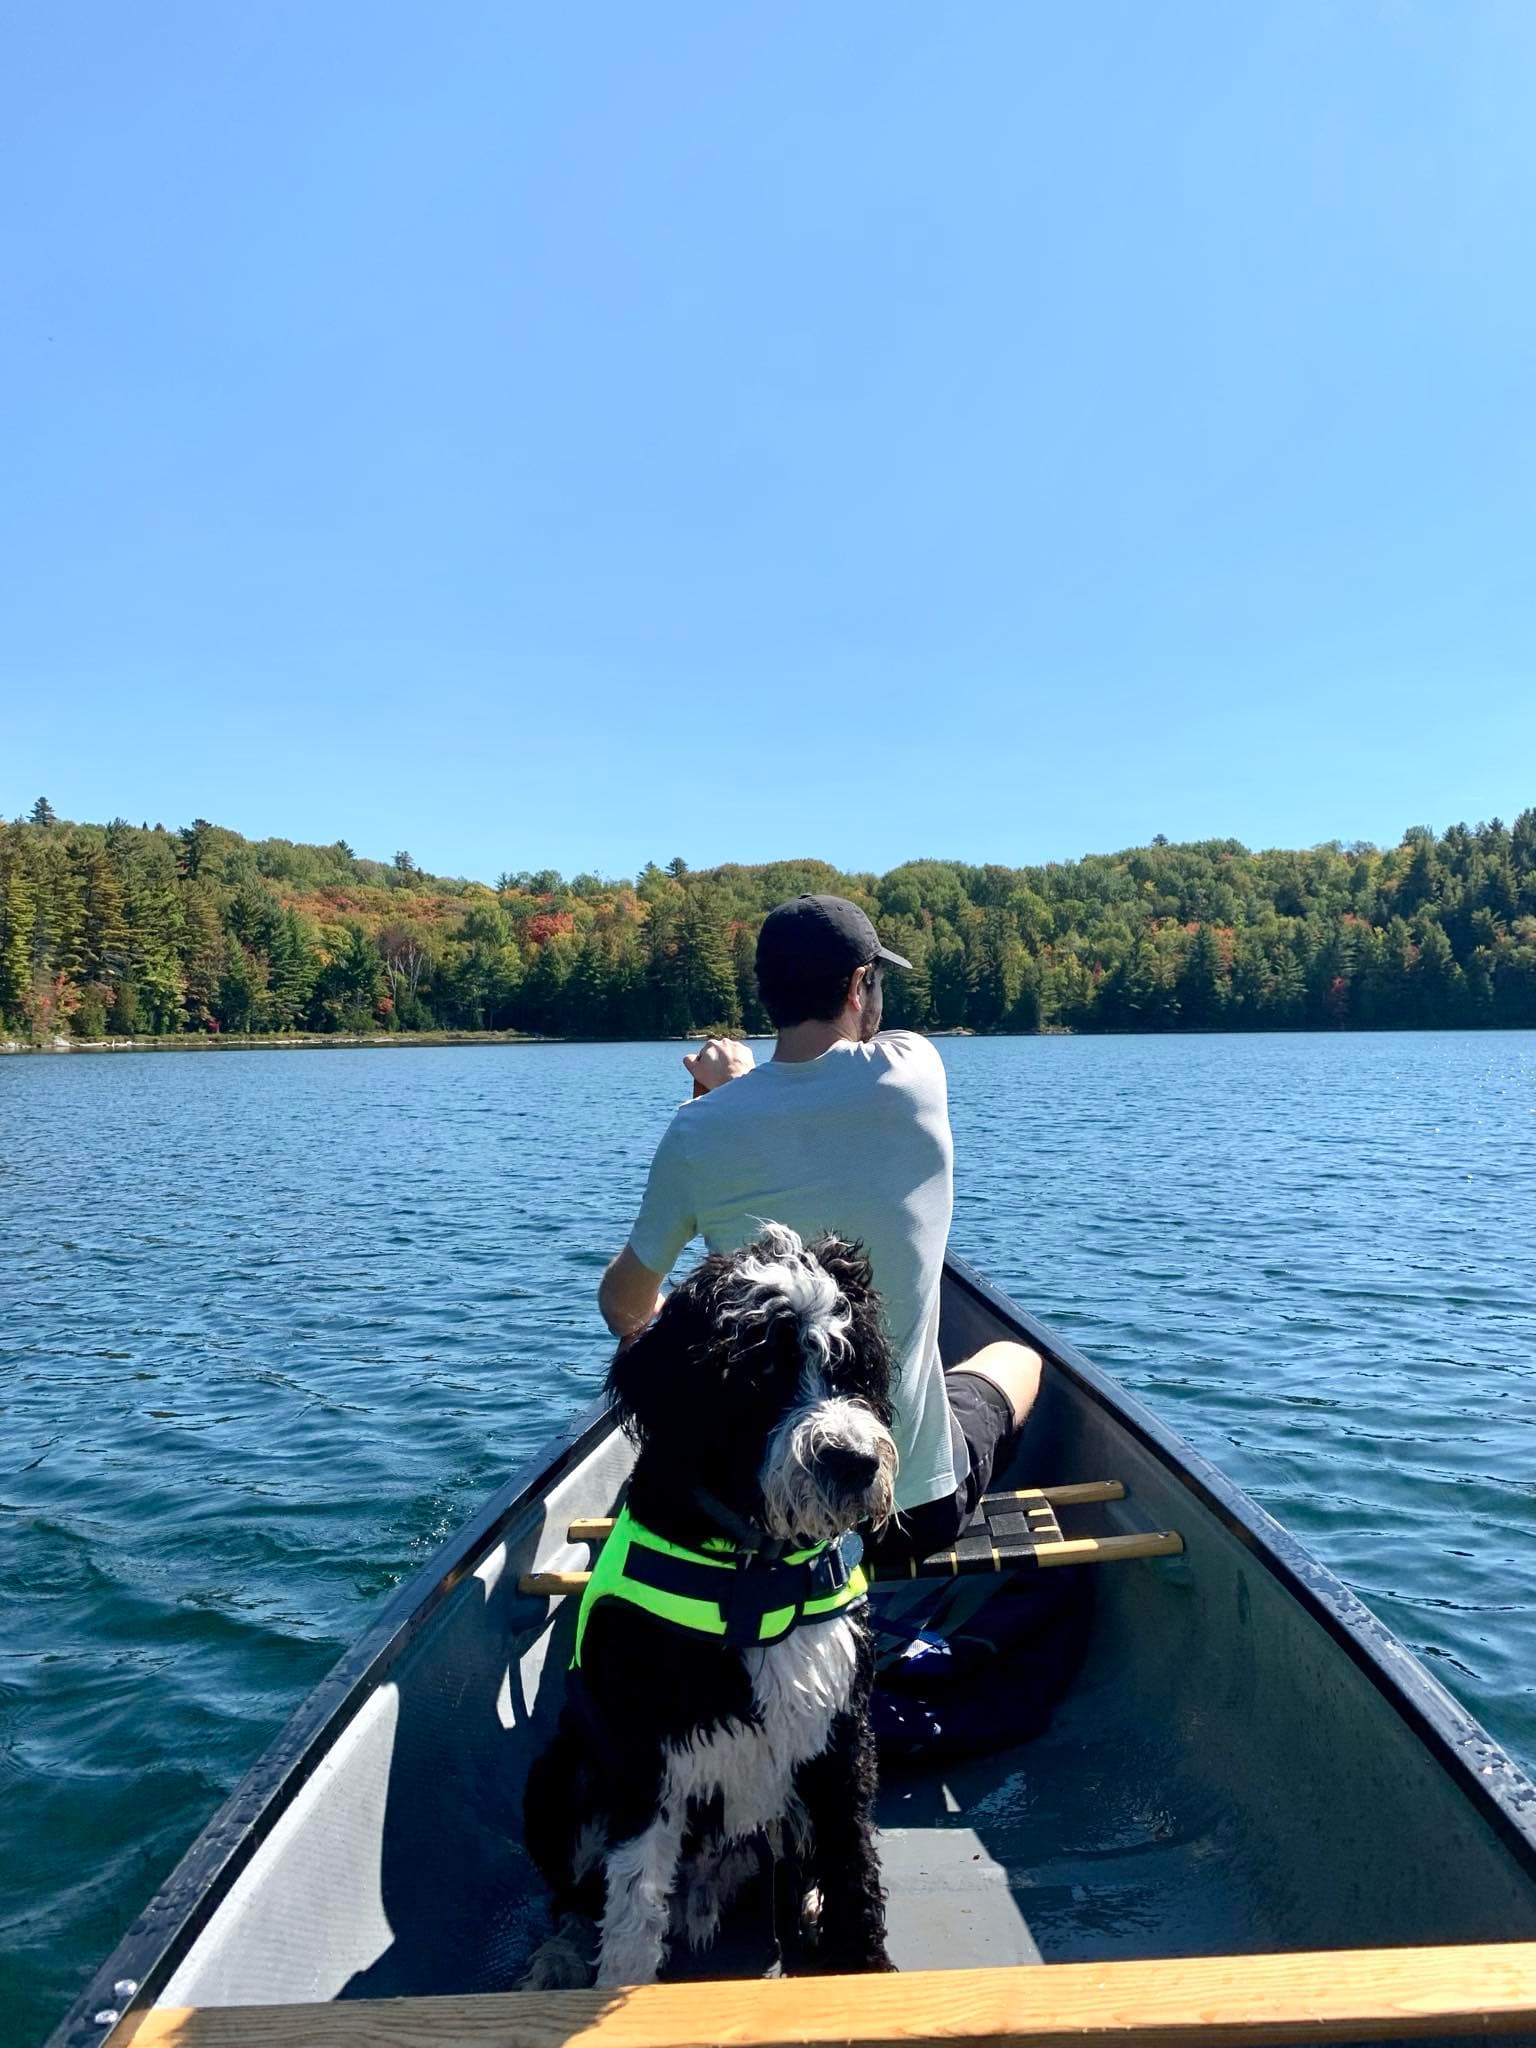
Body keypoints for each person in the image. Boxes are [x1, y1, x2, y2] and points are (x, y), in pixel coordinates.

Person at [598, 893, 1041, 1560]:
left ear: (767, 995)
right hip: (907, 1517)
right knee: (1018, 1359)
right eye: (876, 979)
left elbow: (623, 1306)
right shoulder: (914, 1072)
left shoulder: (697, 1130)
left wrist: (720, 1095)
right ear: (862, 985)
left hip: (762, 1517)